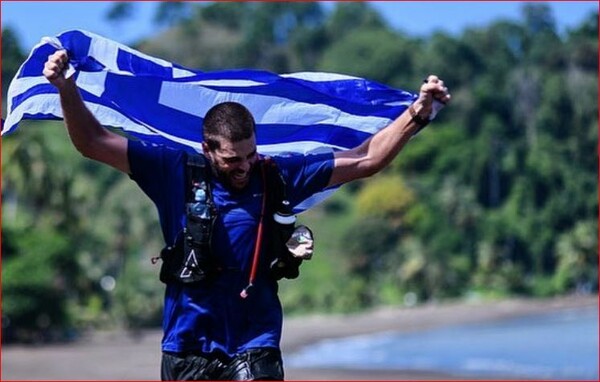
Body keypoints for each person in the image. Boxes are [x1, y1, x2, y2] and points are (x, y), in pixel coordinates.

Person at [43, 49, 451, 381]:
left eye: (250, 154)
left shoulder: (278, 173)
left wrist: (418, 114)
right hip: (187, 346)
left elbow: (366, 158)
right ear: (208, 150)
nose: (244, 166)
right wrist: (66, 89)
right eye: (232, 159)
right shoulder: (174, 171)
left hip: (255, 343)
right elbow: (93, 142)